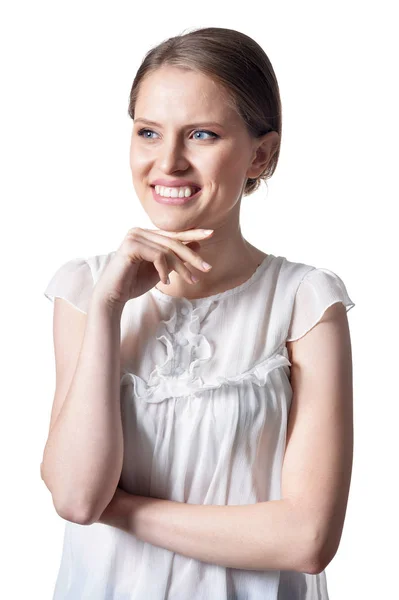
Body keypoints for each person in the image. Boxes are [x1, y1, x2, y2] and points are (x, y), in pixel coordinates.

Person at [41, 26, 355, 600]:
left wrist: (123, 509)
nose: (168, 162)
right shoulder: (85, 290)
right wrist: (109, 308)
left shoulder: (306, 302)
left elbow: (308, 538)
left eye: (202, 134)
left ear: (262, 154)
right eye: (148, 132)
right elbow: (78, 496)